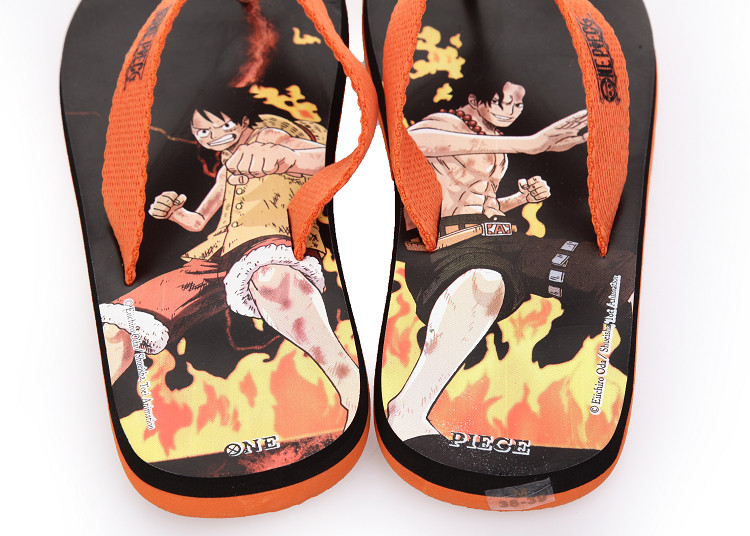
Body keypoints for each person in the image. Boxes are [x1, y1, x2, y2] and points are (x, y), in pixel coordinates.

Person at [387, 80, 634, 440]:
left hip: (505, 240)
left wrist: (520, 200)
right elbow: (410, 144)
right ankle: (408, 408)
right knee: (484, 283)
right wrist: (529, 144)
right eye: (503, 101)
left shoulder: (492, 141)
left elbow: (480, 205)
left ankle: (616, 375)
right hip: (450, 248)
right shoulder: (444, 125)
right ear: (475, 99)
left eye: (518, 105)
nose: (511, 111)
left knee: (615, 269)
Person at [99, 96, 359, 430]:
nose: (212, 136)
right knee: (122, 321)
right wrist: (175, 213)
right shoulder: (226, 168)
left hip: (268, 240)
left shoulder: (274, 137)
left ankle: (348, 383)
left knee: (270, 279)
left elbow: (329, 159)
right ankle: (94, 411)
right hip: (216, 257)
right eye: (202, 132)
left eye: (220, 125)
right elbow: (199, 221)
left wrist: (286, 156)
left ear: (243, 121)